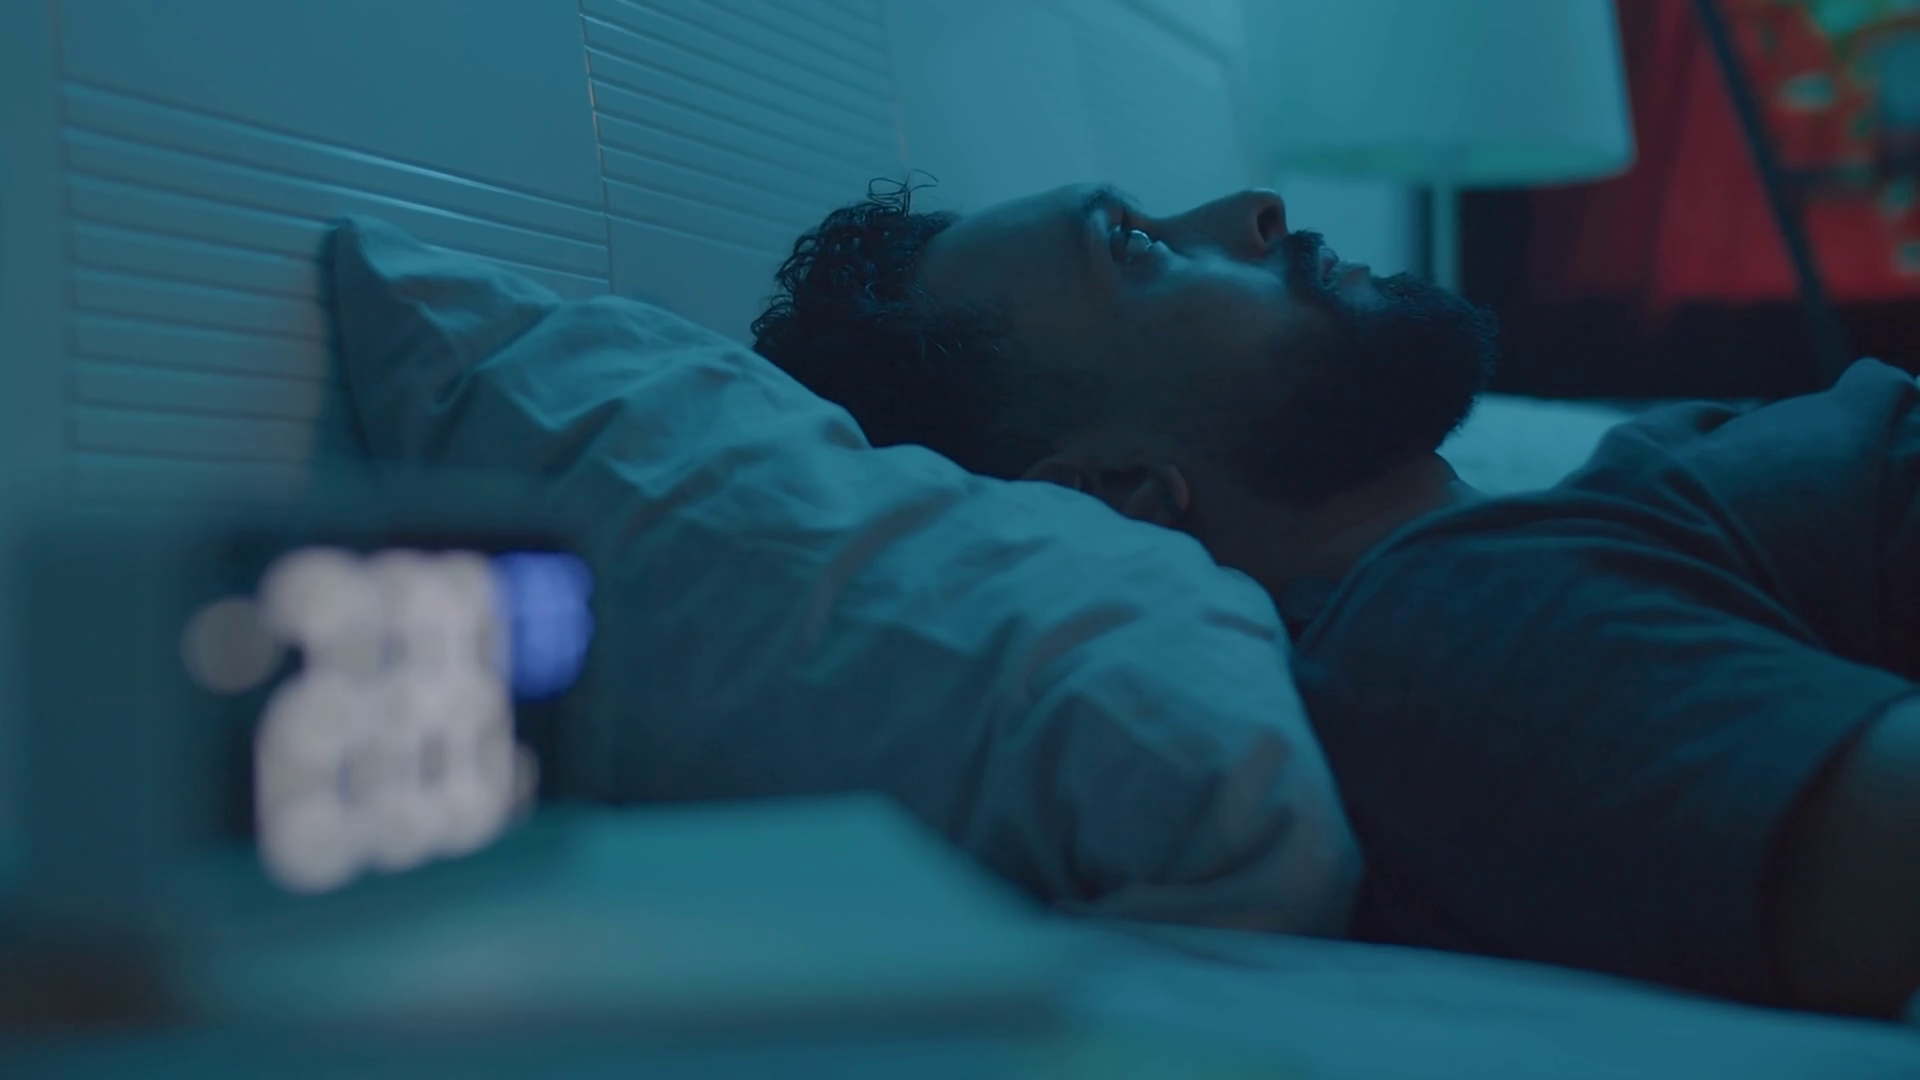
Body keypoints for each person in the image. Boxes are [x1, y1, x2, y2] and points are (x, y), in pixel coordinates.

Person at [748, 179, 1920, 1021]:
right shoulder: (1445, 633)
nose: (1256, 208)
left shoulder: (1537, 539)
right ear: (1116, 489)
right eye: (1136, 246)